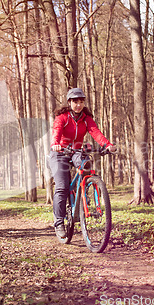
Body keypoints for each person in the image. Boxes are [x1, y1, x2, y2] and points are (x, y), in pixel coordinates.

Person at [49, 88, 116, 238]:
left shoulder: (86, 118)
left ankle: (85, 195)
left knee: (87, 167)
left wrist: (108, 145)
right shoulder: (62, 117)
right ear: (69, 102)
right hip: (60, 152)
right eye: (75, 102)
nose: (78, 105)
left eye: (81, 102)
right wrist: (55, 144)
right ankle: (59, 222)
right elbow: (56, 131)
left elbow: (95, 132)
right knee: (61, 187)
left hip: (77, 152)